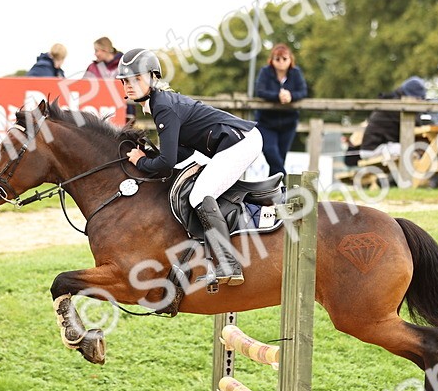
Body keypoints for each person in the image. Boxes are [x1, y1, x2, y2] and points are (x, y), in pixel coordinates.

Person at [116, 48, 262, 287]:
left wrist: (139, 161)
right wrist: (152, 156)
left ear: (153, 77)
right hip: (233, 142)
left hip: (242, 141)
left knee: (199, 195)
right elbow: (182, 152)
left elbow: (166, 165)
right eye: (125, 81)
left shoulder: (162, 106)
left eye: (136, 78)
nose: (129, 85)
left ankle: (228, 265)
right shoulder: (158, 103)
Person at [344, 76, 429, 167]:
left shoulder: (392, 103)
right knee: (410, 152)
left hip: (374, 148)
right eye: (419, 99)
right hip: (375, 149)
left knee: (411, 151)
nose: (420, 101)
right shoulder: (399, 107)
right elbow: (415, 127)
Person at [253, 43, 308, 177]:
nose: (281, 62)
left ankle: (273, 192)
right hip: (266, 122)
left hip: (288, 122)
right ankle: (284, 180)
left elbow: (303, 91)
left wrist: (291, 96)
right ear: (272, 60)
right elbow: (260, 91)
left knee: (280, 157)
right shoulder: (265, 72)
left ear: (290, 60)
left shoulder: (296, 73)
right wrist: (277, 96)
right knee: (270, 152)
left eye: (285, 59)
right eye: (278, 59)